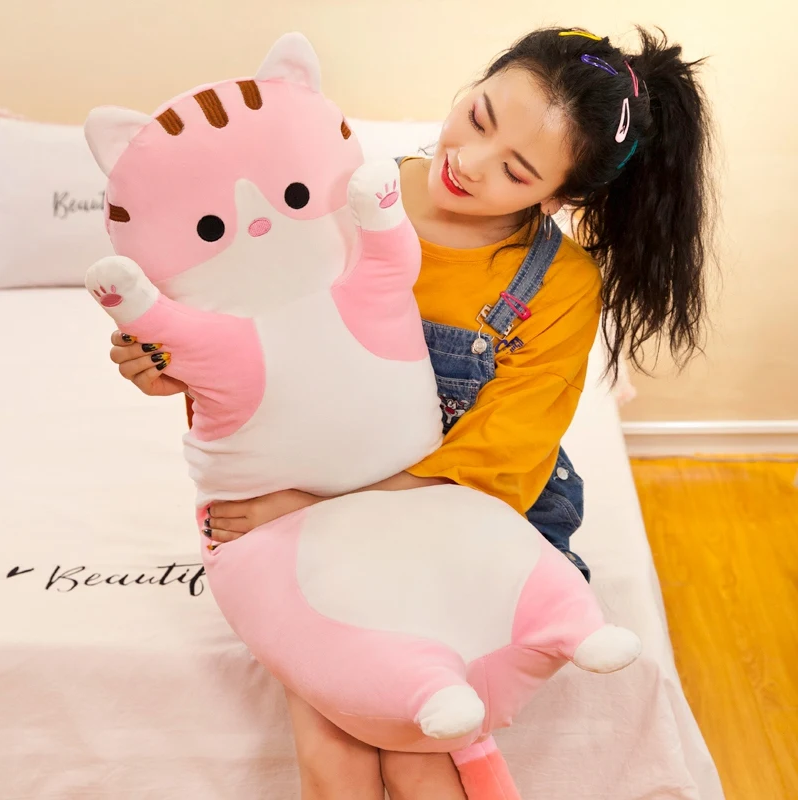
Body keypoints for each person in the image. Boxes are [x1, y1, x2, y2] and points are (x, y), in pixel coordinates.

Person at [108, 25, 715, 800]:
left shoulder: (558, 286)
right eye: (479, 116)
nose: (470, 161)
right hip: (317, 495)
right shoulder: (333, 195)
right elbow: (260, 345)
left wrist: (309, 509)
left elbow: (497, 460)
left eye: (516, 170)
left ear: (559, 197)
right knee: (345, 740)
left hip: (467, 511)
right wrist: (166, 368)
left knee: (390, 740)